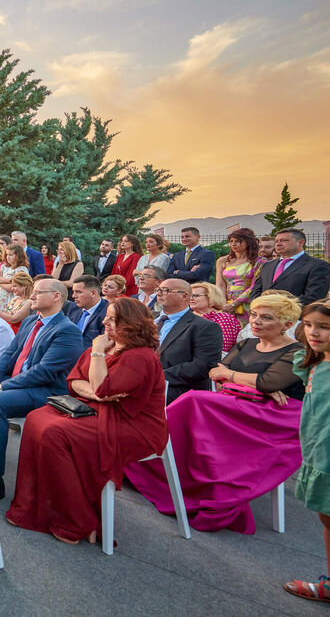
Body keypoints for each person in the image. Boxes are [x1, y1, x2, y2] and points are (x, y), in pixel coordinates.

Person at [127, 292, 304, 534]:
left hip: (272, 419)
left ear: (287, 324)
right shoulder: (246, 343)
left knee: (193, 400)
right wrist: (253, 384)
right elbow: (215, 372)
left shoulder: (296, 351)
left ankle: (149, 458)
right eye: (253, 315)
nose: (256, 321)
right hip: (234, 404)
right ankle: (153, 464)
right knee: (194, 402)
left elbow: (267, 382)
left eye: (266, 317)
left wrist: (247, 381)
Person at [7, 297, 168, 544]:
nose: (105, 321)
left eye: (113, 319)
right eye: (107, 317)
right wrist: (96, 393)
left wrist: (96, 355)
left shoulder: (140, 356)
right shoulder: (108, 346)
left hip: (132, 424)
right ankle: (45, 507)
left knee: (55, 433)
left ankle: (75, 520)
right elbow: (74, 382)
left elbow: (101, 386)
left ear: (131, 323)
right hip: (98, 408)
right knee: (36, 418)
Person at [0, 280, 85, 507]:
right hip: (15, 382)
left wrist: (2, 386)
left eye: (38, 292)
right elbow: (9, 354)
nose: (31, 296)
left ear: (56, 297)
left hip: (45, 391)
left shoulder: (68, 331)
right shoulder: (31, 321)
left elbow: (44, 373)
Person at [283, 300, 330, 602]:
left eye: (324, 327)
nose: (314, 332)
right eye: (309, 324)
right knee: (326, 516)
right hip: (317, 453)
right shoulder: (312, 362)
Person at [155, 278, 223, 402]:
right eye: (158, 289)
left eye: (166, 290)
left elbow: (202, 366)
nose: (159, 293)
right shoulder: (148, 320)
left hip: (177, 391)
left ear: (184, 296)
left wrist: (156, 376)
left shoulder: (205, 327)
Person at [250, 228, 330, 306]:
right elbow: (256, 290)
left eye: (284, 240)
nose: (278, 244)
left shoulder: (317, 265)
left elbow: (313, 297)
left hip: (294, 316)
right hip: (264, 315)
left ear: (300, 242)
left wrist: (279, 309)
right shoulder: (268, 265)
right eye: (276, 241)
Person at [215, 228, 263, 324]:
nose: (233, 244)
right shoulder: (223, 261)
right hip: (225, 304)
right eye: (231, 241)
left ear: (248, 242)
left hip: (248, 303)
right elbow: (220, 284)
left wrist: (235, 304)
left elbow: (254, 285)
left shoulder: (258, 261)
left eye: (238, 241)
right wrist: (223, 303)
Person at [190, 282, 241, 353]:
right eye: (189, 295)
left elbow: (224, 346)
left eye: (195, 295)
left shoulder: (224, 318)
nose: (191, 298)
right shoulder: (186, 317)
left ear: (211, 297)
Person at [64, 275, 108, 343]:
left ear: (93, 293)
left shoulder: (108, 313)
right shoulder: (73, 307)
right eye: (73, 291)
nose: (73, 296)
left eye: (78, 292)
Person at [0, 243, 28, 310]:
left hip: (10, 302)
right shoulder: (4, 267)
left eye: (11, 255)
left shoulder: (21, 269)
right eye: (6, 254)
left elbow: (12, 288)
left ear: (18, 256)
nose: (7, 257)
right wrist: (9, 280)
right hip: (0, 302)